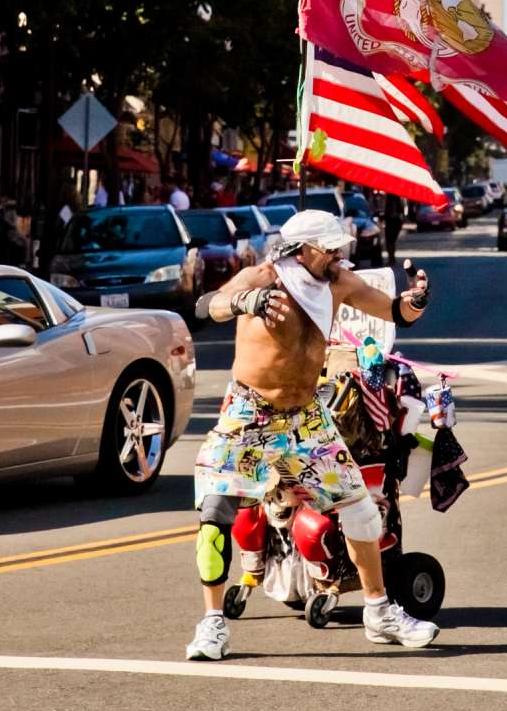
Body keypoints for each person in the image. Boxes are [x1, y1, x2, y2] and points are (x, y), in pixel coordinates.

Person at [184, 209, 438, 661]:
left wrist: (414, 301)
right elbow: (207, 306)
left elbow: (393, 310)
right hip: (250, 413)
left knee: (361, 508)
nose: (340, 255)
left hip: (306, 417)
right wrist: (246, 303)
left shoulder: (337, 281)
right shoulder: (262, 276)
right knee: (216, 509)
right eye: (332, 248)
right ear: (304, 249)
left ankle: (379, 612)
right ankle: (212, 625)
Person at [381, 191, 405, 264]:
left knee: (390, 241)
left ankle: (391, 258)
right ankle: (391, 258)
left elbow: (390, 210)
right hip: (393, 220)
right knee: (391, 241)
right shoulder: (395, 196)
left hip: (392, 221)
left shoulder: (391, 196)